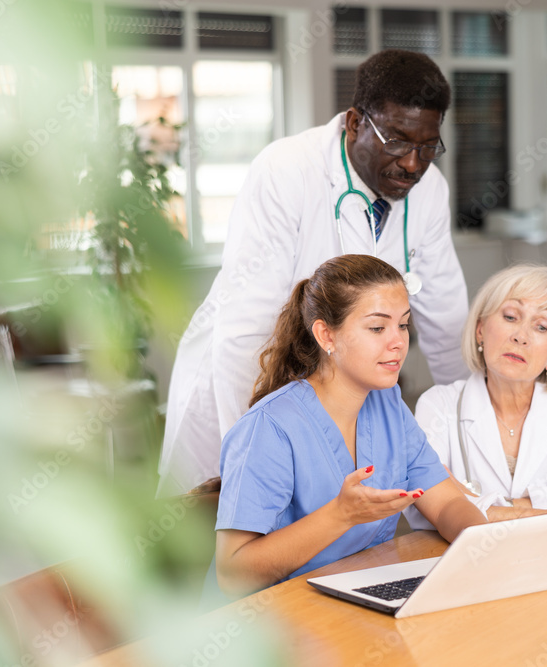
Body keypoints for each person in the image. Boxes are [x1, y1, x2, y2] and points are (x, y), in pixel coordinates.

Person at [158, 49, 469, 497]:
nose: (413, 164)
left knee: (326, 541)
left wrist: (470, 426)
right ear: (356, 123)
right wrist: (252, 453)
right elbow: (246, 330)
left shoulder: (429, 192)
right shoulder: (287, 171)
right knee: (221, 539)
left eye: (427, 146)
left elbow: (446, 317)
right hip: (246, 384)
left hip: (336, 396)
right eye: (399, 141)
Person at [208, 255, 485, 601]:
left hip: (349, 599)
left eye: (403, 325)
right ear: (326, 334)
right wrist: (341, 515)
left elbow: (445, 504)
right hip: (266, 623)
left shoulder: (389, 405)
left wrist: (482, 545)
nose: (398, 342)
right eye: (377, 328)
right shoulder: (269, 428)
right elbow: (233, 575)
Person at [405, 265, 547, 527]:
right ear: (480, 330)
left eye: (541, 327)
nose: (520, 336)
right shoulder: (438, 404)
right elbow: (424, 503)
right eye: (510, 317)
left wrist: (496, 507)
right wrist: (545, 511)